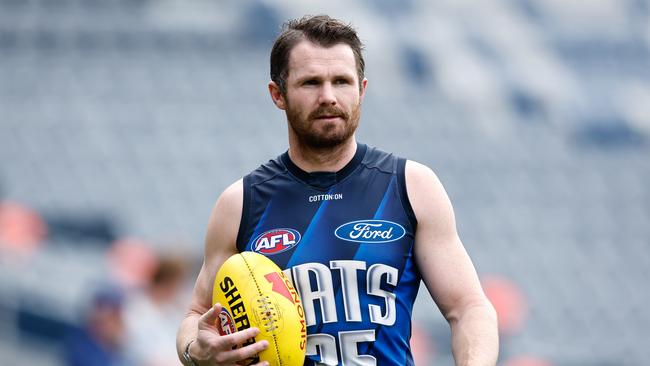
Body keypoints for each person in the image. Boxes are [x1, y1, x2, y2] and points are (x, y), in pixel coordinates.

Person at [176, 15, 498, 366]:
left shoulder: (411, 186)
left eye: (341, 81)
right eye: (311, 82)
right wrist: (196, 353)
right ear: (277, 94)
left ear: (361, 89)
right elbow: (196, 314)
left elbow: (468, 307)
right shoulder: (240, 202)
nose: (328, 96)